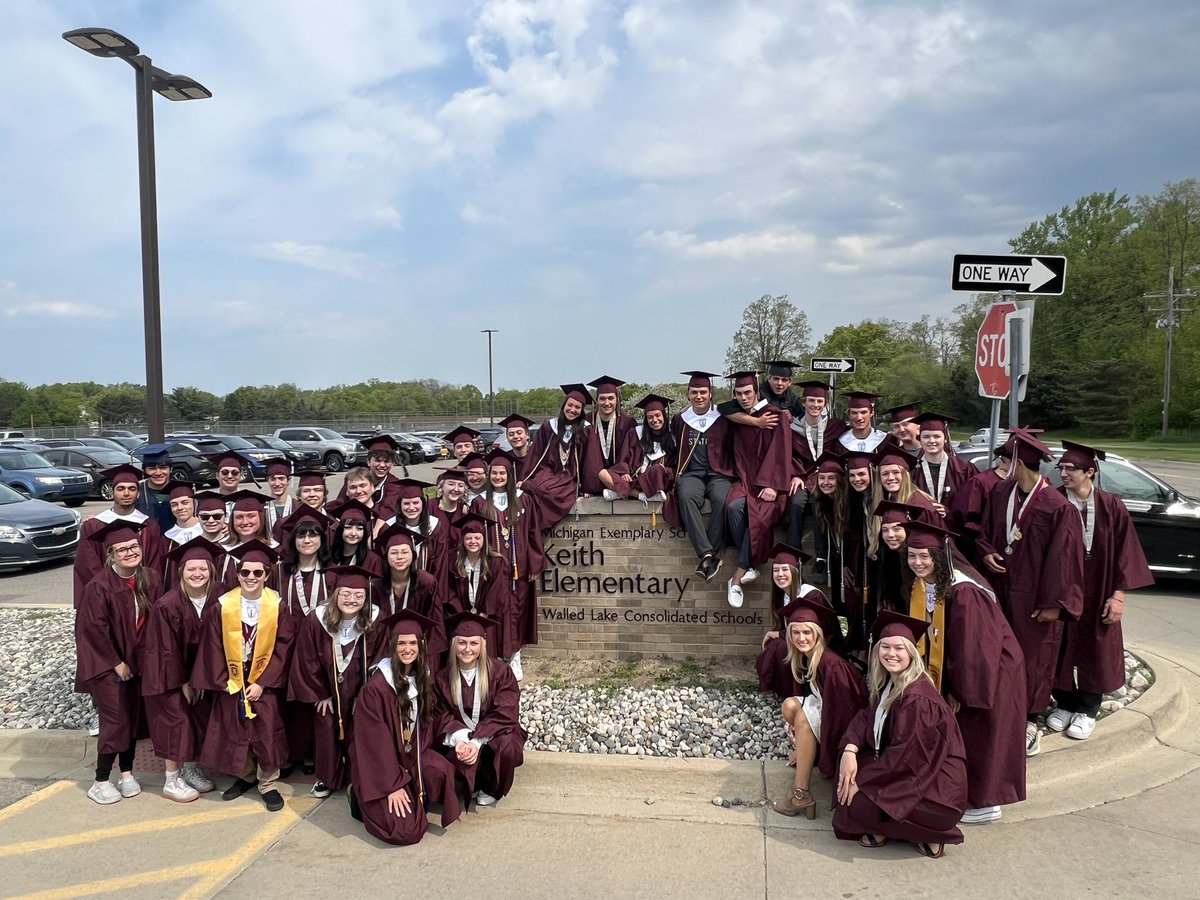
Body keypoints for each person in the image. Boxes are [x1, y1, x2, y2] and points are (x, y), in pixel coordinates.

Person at [902, 520, 1027, 825]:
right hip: (966, 668)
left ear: (940, 557)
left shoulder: (964, 592)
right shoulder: (925, 586)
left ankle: (985, 802)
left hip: (990, 672)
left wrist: (958, 690)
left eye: (924, 556)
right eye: (912, 555)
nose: (918, 562)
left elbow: (975, 649)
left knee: (981, 731)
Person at [978, 428, 1085, 756]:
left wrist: (1054, 603)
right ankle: (1000, 710)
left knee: (1035, 658)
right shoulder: (1000, 492)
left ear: (1019, 464)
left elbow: (1065, 560)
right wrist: (985, 551)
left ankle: (1029, 719)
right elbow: (984, 531)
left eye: (1006, 460)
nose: (1001, 465)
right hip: (1001, 588)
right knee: (999, 653)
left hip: (1036, 597)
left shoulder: (1057, 506)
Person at [833, 611, 969, 858]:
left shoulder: (918, 699)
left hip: (935, 792)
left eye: (899, 648)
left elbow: (907, 758)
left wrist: (863, 782)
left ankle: (928, 832)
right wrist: (850, 749)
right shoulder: (892, 683)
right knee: (844, 783)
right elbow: (866, 716)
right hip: (909, 776)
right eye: (885, 647)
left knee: (853, 802)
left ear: (911, 653)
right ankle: (900, 829)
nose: (891, 654)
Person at [1049, 440, 1153, 741]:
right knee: (1060, 643)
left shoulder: (1111, 506)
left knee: (1096, 646)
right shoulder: (1054, 502)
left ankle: (1088, 709)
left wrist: (1119, 595)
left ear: (1090, 472)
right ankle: (1065, 703)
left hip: (1100, 589)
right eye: (1062, 468)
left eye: (1071, 469)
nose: (1064, 474)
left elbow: (1126, 553)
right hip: (1064, 589)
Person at [191, 540, 294, 812]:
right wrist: (225, 680)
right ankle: (246, 776)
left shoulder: (278, 606)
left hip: (264, 680)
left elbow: (284, 646)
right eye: (245, 572)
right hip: (232, 679)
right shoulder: (223, 606)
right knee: (235, 729)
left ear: (267, 575)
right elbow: (212, 646)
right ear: (237, 575)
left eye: (257, 573)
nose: (251, 578)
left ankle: (268, 783)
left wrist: (263, 682)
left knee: (266, 731)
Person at [349, 610, 463, 843]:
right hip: (382, 771)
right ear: (392, 646)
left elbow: (434, 717)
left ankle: (415, 791)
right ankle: (358, 797)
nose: (408, 648)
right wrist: (393, 785)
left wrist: (462, 737)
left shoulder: (422, 677)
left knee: (444, 772)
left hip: (412, 757)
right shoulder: (377, 688)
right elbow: (374, 745)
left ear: (421, 646)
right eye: (401, 643)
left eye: (413, 642)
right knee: (407, 831)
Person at [75, 520, 162, 805]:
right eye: (122, 549)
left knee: (133, 719)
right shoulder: (99, 586)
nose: (129, 553)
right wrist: (116, 662)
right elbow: (92, 629)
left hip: (138, 663)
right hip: (107, 666)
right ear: (110, 555)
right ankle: (100, 781)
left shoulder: (149, 578)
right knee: (115, 721)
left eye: (134, 546)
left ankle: (126, 773)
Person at [289, 565, 387, 799]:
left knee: (360, 730)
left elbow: (381, 660)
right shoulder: (317, 619)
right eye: (346, 594)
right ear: (335, 594)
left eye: (358, 596)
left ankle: (357, 775)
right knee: (325, 727)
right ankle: (326, 777)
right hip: (328, 689)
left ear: (366, 598)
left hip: (361, 690)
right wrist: (320, 692)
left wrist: (366, 696)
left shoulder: (375, 620)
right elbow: (307, 657)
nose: (352, 600)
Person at [142, 538, 224, 803]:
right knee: (176, 721)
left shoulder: (221, 596)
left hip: (204, 674)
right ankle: (171, 779)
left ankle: (190, 769)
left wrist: (203, 677)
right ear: (181, 572)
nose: (197, 574)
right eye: (191, 569)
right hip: (169, 677)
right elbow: (164, 650)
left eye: (203, 569)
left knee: (198, 719)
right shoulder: (167, 604)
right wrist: (185, 682)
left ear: (212, 571)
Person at [770, 593, 867, 818]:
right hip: (826, 705)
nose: (801, 638)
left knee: (803, 718)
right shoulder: (806, 655)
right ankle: (807, 751)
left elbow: (846, 710)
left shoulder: (831, 664)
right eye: (796, 632)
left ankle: (801, 795)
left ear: (817, 634)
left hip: (849, 719)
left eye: (807, 632)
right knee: (789, 706)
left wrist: (835, 754)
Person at [435, 612, 526, 809]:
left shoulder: (500, 672)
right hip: (462, 737)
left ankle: (493, 787)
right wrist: (461, 739)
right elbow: (441, 714)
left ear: (482, 644)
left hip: (493, 734)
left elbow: (506, 712)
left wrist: (477, 741)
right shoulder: (443, 678)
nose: (467, 649)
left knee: (507, 745)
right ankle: (472, 782)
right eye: (462, 643)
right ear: (454, 644)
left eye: (473, 643)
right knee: (454, 770)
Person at [721, 371, 791, 608]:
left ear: (756, 391)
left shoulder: (775, 416)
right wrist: (754, 421)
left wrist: (772, 484)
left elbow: (781, 452)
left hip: (770, 484)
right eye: (739, 393)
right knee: (732, 506)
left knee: (759, 517)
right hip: (746, 480)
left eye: (747, 392)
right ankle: (750, 563)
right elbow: (722, 408)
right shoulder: (738, 416)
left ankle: (739, 574)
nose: (743, 397)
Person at [471, 452, 542, 678]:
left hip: (517, 569)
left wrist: (534, 564)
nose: (498, 477)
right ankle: (498, 657)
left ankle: (515, 656)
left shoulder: (523, 500)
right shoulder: (480, 502)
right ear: (489, 475)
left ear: (510, 476)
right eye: (494, 473)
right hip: (491, 570)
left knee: (518, 611)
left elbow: (533, 533)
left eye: (503, 473)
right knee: (495, 611)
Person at [666, 371, 733, 583]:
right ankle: (708, 553)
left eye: (703, 392)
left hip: (718, 473)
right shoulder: (681, 420)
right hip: (692, 472)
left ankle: (708, 558)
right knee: (685, 496)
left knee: (722, 500)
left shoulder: (722, 418)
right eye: (694, 392)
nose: (699, 396)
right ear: (688, 395)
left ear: (710, 393)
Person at [73, 463, 164, 609]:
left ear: (138, 493)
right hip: (107, 597)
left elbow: (154, 564)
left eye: (132, 489)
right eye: (121, 488)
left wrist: (145, 589)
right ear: (112, 492)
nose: (126, 493)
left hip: (142, 594)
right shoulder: (94, 526)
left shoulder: (149, 526)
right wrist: (109, 591)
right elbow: (88, 566)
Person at [786, 380, 846, 583]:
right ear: (803, 402)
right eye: (811, 400)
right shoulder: (792, 428)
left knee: (818, 503)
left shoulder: (835, 427)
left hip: (826, 478)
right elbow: (788, 456)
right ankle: (793, 553)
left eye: (819, 401)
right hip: (803, 477)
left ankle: (821, 558)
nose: (815, 405)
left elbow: (840, 453)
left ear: (825, 403)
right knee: (795, 503)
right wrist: (795, 475)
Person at [520, 384, 593, 531]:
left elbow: (589, 460)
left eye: (577, 407)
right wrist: (524, 478)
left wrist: (587, 486)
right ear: (563, 405)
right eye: (570, 405)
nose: (572, 410)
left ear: (582, 410)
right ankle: (532, 528)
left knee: (556, 493)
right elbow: (536, 455)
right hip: (549, 471)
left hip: (570, 476)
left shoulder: (586, 429)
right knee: (537, 487)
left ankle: (538, 528)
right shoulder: (549, 427)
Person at [376, 525, 446, 656]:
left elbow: (434, 622)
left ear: (413, 556)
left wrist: (428, 659)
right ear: (386, 557)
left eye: (404, 552)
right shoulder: (376, 586)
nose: (399, 557)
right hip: (384, 648)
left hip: (416, 649)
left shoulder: (427, 583)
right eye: (394, 553)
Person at [447, 513, 508, 654]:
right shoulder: (452, 561)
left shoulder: (496, 562)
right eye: (468, 538)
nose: (472, 541)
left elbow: (497, 591)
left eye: (477, 538)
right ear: (462, 540)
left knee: (486, 653)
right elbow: (449, 590)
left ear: (484, 539)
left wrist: (484, 614)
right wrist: (461, 614)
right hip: (462, 617)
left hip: (486, 618)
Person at [602, 393, 677, 503]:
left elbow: (674, 469)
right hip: (634, 479)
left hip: (654, 481)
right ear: (646, 419)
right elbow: (624, 457)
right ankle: (639, 495)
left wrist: (664, 470)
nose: (654, 420)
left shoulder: (672, 440)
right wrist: (624, 472)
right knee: (603, 474)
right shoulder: (635, 434)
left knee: (657, 469)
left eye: (657, 415)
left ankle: (619, 492)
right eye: (650, 417)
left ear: (664, 416)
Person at [910, 412, 977, 518]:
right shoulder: (911, 469)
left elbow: (973, 503)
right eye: (926, 437)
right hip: (922, 530)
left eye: (937, 436)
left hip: (955, 530)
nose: (931, 441)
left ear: (945, 439)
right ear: (920, 439)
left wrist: (949, 513)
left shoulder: (964, 469)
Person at [582, 375, 638, 498]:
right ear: (596, 400)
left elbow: (630, 451)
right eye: (602, 399)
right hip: (593, 478)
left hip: (617, 475)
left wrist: (624, 470)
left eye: (610, 398)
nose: (606, 403)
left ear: (617, 400)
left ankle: (615, 488)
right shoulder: (587, 421)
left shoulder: (628, 422)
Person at [325, 497, 382, 575]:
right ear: (341, 530)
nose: (353, 533)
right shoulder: (329, 557)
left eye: (359, 529)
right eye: (348, 528)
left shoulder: (373, 560)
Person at [135, 444, 177, 532]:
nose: (158, 473)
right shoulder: (136, 493)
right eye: (152, 468)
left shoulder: (180, 491)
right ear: (144, 471)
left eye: (163, 468)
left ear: (171, 469)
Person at [162, 481, 203, 546]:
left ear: (195, 503)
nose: (179, 508)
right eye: (174, 505)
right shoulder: (167, 538)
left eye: (185, 503)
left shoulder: (207, 531)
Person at [263, 458, 297, 533]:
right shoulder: (260, 508)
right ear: (268, 481)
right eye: (272, 479)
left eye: (281, 478)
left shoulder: (298, 507)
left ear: (288, 480)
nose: (277, 483)